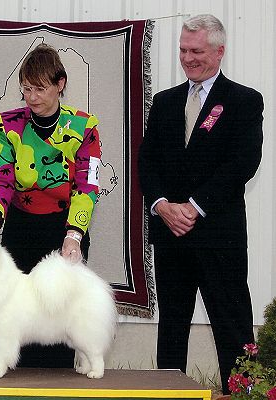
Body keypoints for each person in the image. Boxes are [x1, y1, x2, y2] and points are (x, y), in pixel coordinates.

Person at [138, 14, 263, 394]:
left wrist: (194, 207)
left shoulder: (244, 100)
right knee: (172, 326)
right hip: (170, 234)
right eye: (182, 50)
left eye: (197, 50)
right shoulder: (164, 101)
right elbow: (148, 162)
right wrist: (162, 205)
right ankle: (169, 393)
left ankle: (244, 392)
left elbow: (243, 163)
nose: (188, 58)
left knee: (232, 325)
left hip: (217, 236)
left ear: (219, 51)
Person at [0, 43, 101, 368]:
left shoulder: (84, 127)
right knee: (17, 317)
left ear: (60, 84)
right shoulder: (8, 124)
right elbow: (0, 175)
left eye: (40, 88)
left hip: (65, 228)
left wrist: (74, 235)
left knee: (59, 317)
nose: (32, 97)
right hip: (21, 227)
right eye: (26, 89)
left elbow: (87, 185)